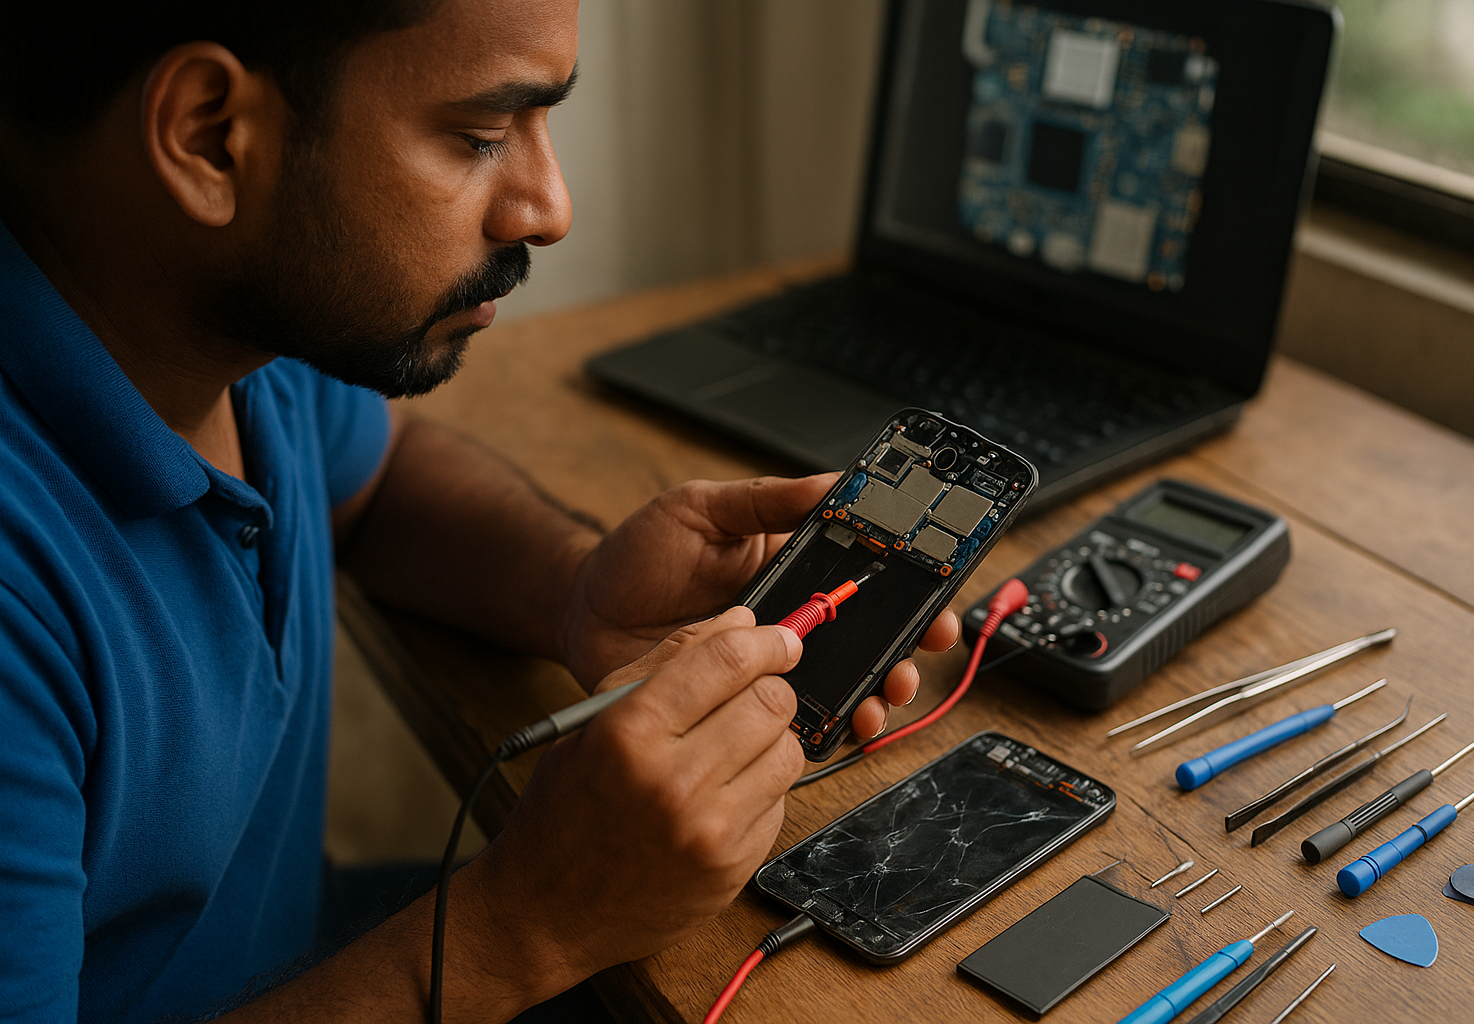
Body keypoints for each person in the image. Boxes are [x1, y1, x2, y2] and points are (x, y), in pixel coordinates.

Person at [0, 1, 960, 1021]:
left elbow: (374, 479)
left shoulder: (214, 313)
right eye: (480, 137)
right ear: (206, 135)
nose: (549, 207)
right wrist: (531, 923)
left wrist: (574, 588)